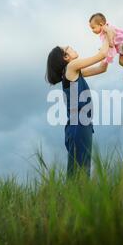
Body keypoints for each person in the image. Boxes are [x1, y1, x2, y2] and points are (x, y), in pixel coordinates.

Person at [46, 39, 109, 178]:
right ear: (66, 57)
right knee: (78, 174)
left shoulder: (75, 71)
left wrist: (110, 52)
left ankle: (75, 199)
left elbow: (102, 68)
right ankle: (70, 199)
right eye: (68, 48)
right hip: (78, 126)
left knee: (82, 172)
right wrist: (107, 36)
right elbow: (102, 54)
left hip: (83, 125)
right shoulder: (72, 67)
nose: (72, 47)